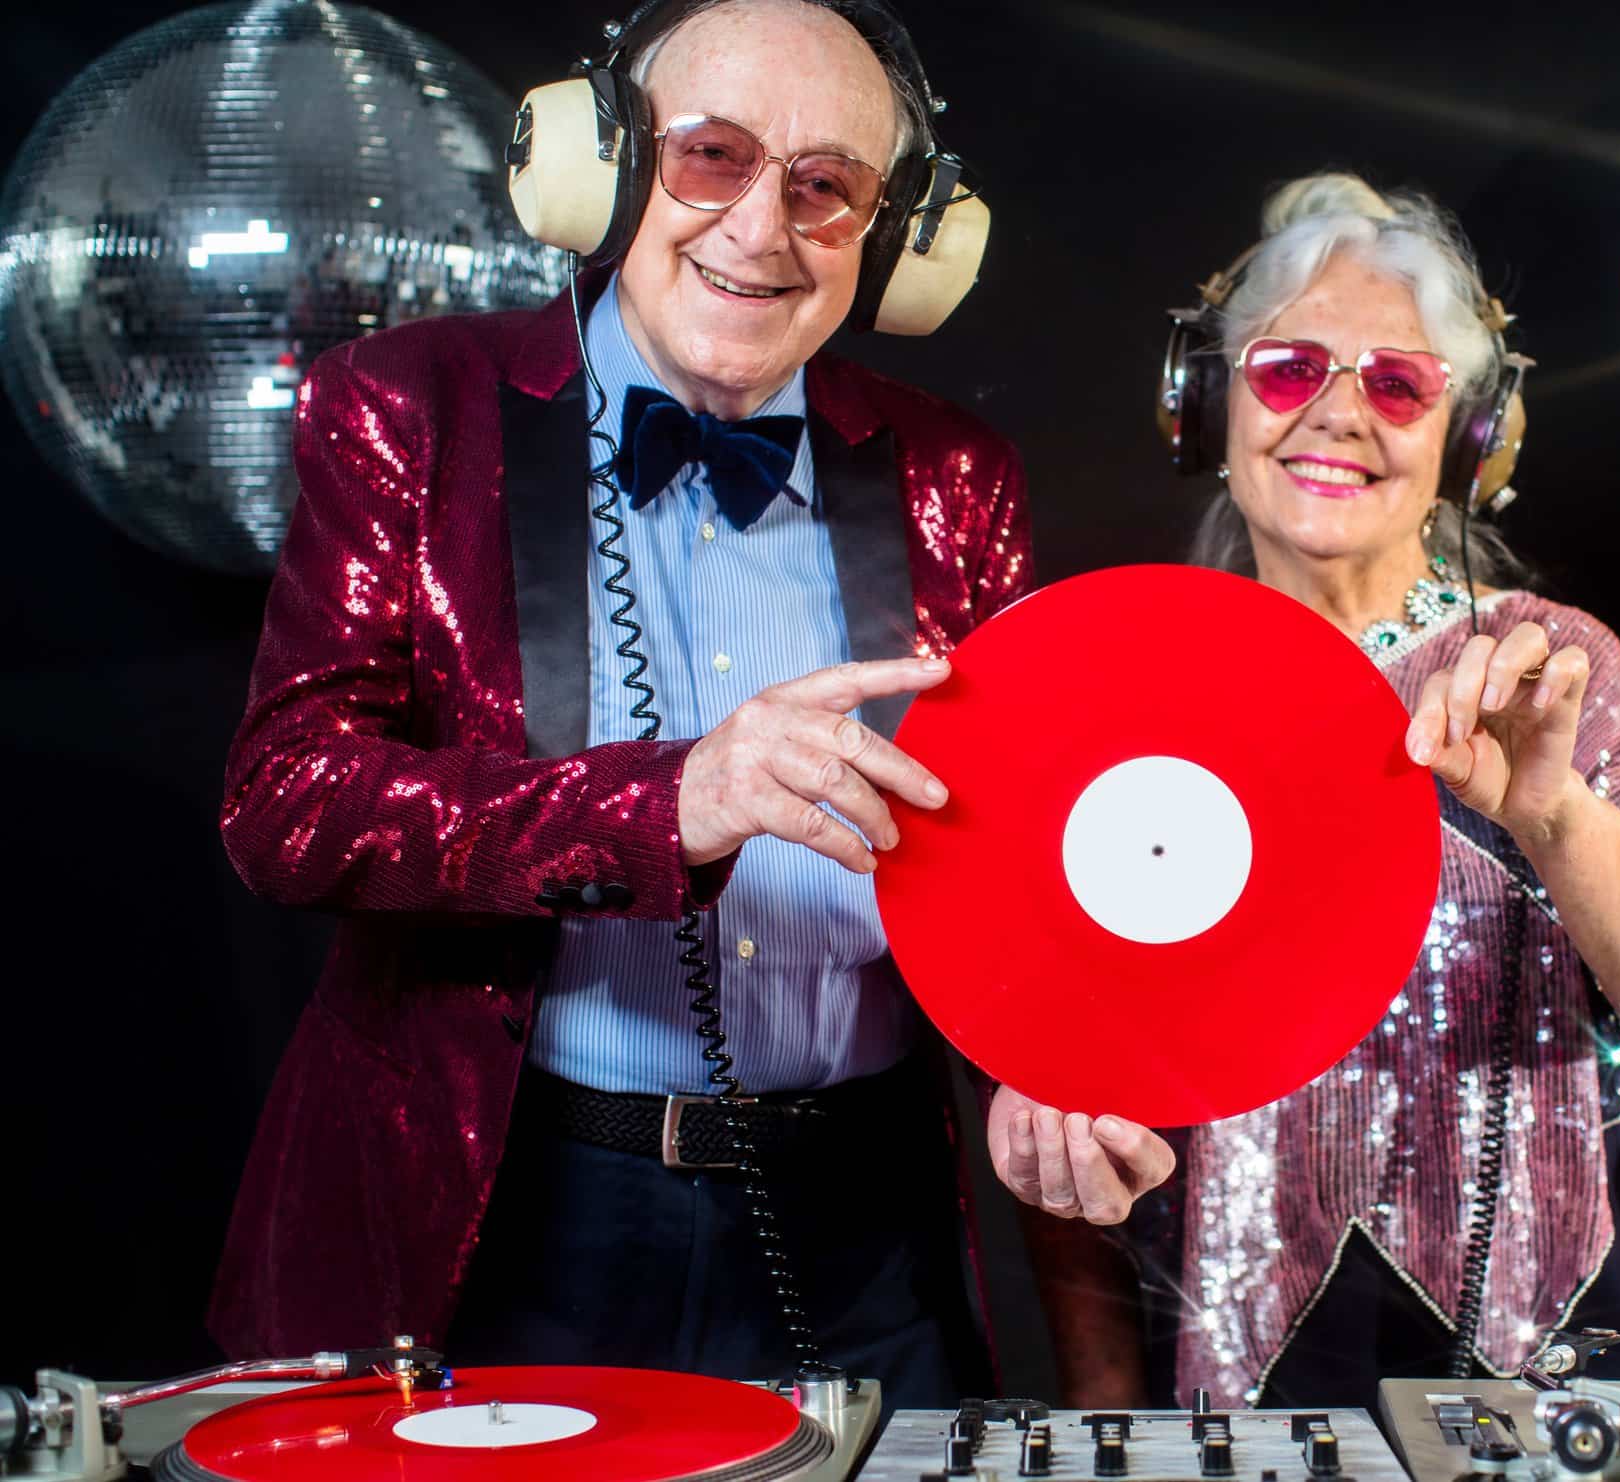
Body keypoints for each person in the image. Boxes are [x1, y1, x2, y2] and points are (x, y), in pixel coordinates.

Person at [211, 0, 1168, 1406]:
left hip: (862, 1234)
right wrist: (664, 801)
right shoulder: (413, 408)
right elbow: (287, 800)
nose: (762, 229)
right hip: (511, 1211)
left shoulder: (955, 474)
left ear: (895, 239)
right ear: (601, 165)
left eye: (826, 185)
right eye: (711, 155)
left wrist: (1050, 1054)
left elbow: (1024, 847)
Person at [1026, 173, 1620, 1411]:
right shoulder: (1118, 684)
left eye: (1399, 384)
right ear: (1209, 403)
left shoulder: (1550, 660)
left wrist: (1552, 810)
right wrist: (1101, 1409)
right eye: (1291, 368)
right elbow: (1049, 1070)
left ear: (1467, 434)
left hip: (1577, 1357)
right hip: (1249, 1364)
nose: (1339, 416)